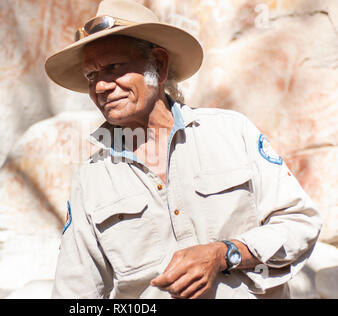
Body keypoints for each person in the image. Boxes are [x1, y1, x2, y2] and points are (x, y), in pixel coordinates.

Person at [44, 0, 322, 299]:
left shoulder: (231, 132)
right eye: (91, 76)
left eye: (114, 68)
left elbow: (300, 222)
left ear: (159, 65)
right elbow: (75, 295)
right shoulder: (92, 179)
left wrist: (226, 253)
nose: (100, 86)